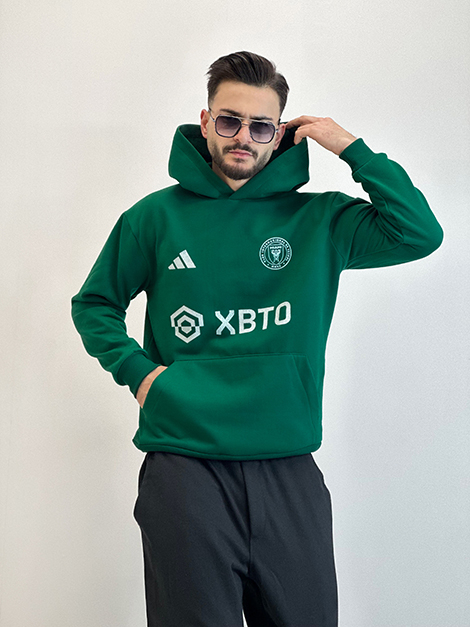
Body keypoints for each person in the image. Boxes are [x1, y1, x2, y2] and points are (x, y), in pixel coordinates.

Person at [71, 51, 443, 626]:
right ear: (206, 122)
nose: (243, 136)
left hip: (288, 465)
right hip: (185, 468)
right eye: (230, 120)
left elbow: (419, 233)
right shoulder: (154, 218)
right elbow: (95, 304)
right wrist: (141, 376)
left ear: (280, 133)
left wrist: (351, 148)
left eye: (261, 126)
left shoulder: (322, 222)